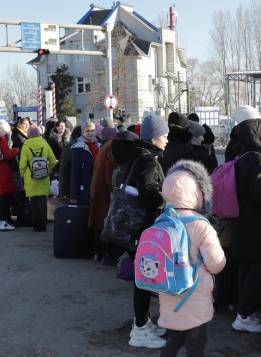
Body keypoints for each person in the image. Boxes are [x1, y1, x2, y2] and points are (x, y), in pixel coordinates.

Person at [110, 115, 169, 349]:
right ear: (154, 138)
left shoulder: (137, 157)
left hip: (134, 227)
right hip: (143, 227)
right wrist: (168, 196)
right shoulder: (148, 161)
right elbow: (149, 197)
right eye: (164, 136)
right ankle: (141, 330)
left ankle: (144, 322)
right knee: (144, 278)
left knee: (144, 276)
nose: (167, 140)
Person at [157, 160, 227, 357]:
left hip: (168, 290)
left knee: (175, 336)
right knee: (196, 343)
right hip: (194, 294)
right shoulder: (200, 225)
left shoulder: (161, 220)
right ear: (198, 193)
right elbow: (216, 264)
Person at [229, 116, 261, 334]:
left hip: (239, 220)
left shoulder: (240, 155)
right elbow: (259, 194)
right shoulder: (256, 158)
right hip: (253, 223)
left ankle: (243, 311)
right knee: (255, 269)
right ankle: (244, 316)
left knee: (245, 269)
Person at [89, 130, 137, 264]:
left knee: (102, 220)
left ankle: (98, 252)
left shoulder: (108, 143)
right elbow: (111, 169)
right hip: (105, 186)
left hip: (100, 183)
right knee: (106, 220)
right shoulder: (113, 145)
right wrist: (113, 190)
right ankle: (105, 254)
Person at [19, 126, 57, 232]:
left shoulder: (26, 146)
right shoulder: (45, 144)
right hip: (43, 176)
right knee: (43, 200)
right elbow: (53, 160)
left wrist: (23, 174)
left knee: (33, 201)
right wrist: (47, 170)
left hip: (30, 176)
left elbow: (22, 164)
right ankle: (43, 223)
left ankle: (35, 224)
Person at [69, 121, 99, 208]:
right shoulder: (78, 148)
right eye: (87, 131)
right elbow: (75, 173)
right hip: (84, 187)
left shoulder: (99, 146)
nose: (90, 133)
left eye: (92, 131)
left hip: (97, 186)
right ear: (83, 132)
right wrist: (73, 195)